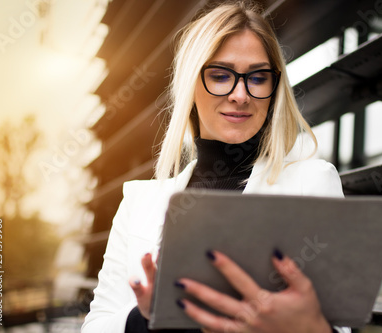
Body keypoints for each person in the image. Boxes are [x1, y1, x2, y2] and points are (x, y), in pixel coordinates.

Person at [82, 1, 350, 332]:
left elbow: (339, 326)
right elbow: (96, 325)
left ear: (273, 87)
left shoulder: (312, 183)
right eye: (220, 75)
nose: (240, 94)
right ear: (191, 84)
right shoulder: (140, 201)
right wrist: (146, 319)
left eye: (258, 77)